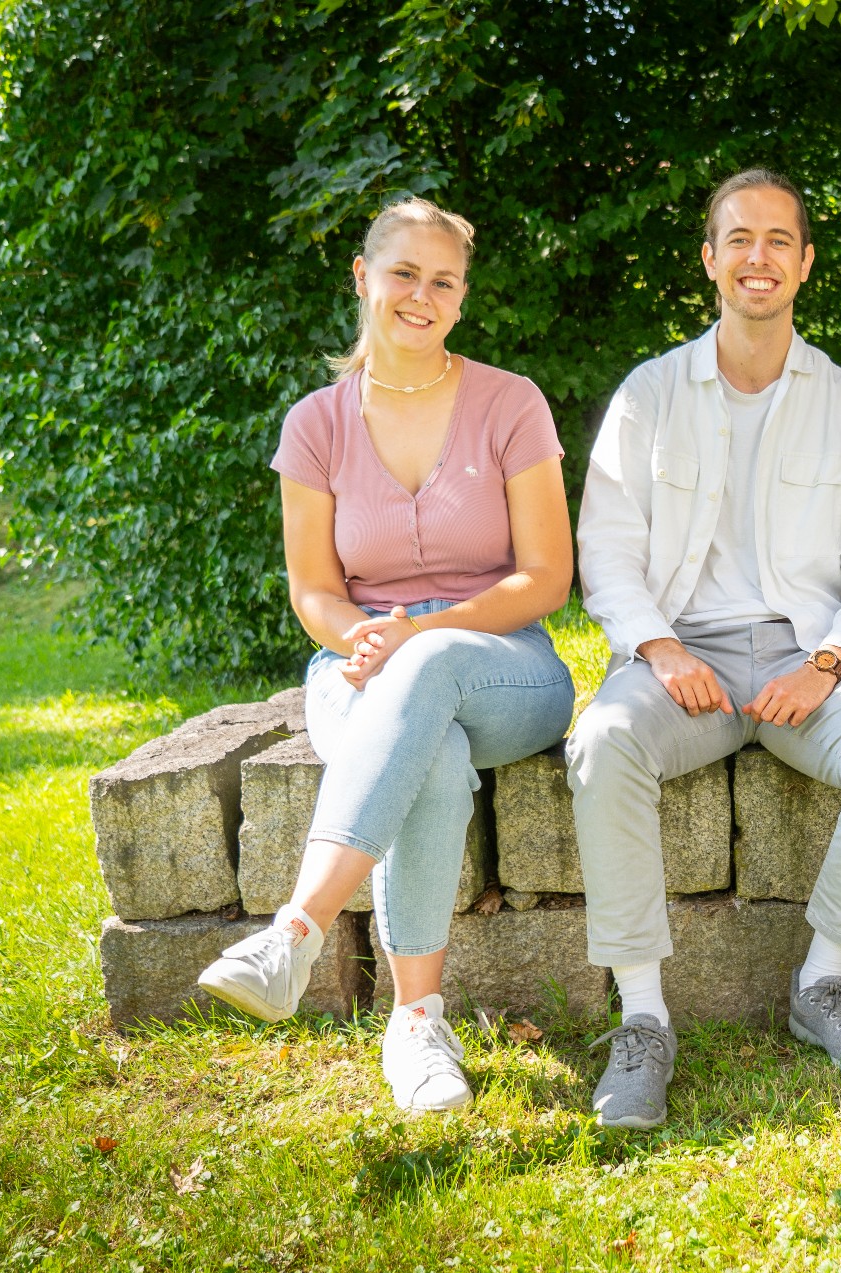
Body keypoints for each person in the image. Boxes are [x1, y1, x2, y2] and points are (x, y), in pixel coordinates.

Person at [567, 168, 841, 1129]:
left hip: (808, 660)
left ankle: (822, 983)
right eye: (739, 238)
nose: (758, 257)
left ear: (806, 263)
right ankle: (643, 1020)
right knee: (603, 742)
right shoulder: (649, 395)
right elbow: (605, 551)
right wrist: (657, 646)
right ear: (710, 259)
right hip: (675, 659)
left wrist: (826, 666)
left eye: (778, 239)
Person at [196, 197, 576, 1113]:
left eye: (443, 280)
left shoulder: (509, 402)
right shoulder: (316, 425)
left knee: (431, 671)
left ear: (461, 299)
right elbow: (315, 591)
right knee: (431, 753)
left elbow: (549, 577)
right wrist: (357, 636)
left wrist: (425, 634)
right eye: (404, 272)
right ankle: (417, 1027)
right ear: (363, 279)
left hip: (502, 659)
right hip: (358, 663)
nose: (422, 293)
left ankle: (296, 929)